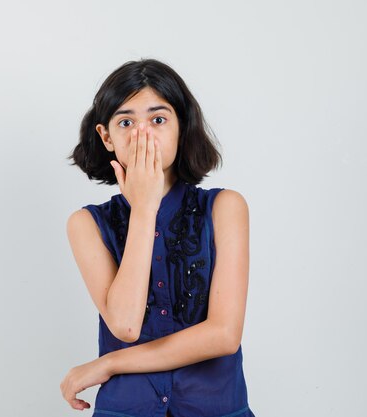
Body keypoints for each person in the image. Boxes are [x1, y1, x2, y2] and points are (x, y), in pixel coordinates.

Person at [60, 58, 255, 417]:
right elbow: (126, 324)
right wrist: (144, 207)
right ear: (106, 136)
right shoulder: (86, 223)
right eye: (126, 122)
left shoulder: (225, 207)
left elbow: (224, 334)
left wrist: (108, 364)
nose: (142, 134)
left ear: (182, 126)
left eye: (158, 119)